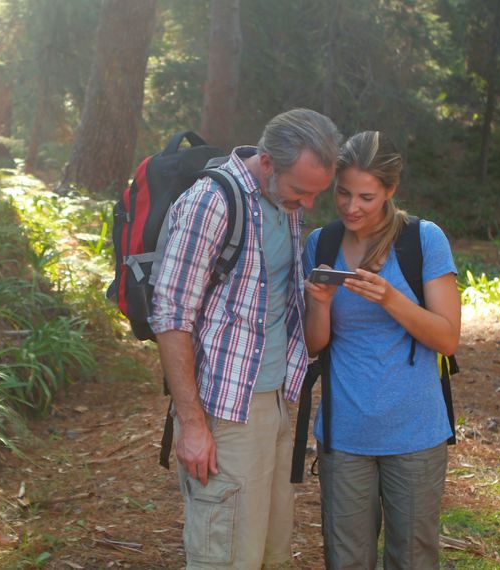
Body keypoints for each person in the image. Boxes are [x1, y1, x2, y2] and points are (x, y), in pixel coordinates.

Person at [149, 108, 343, 569]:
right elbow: (171, 316)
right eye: (302, 191)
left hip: (276, 403)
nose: (308, 204)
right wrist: (193, 425)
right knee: (226, 555)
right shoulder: (212, 202)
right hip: (225, 413)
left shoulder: (282, 205)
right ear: (269, 163)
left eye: (317, 194)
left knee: (269, 554)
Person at [302, 131, 461, 569]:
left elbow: (447, 338)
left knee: (411, 556)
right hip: (344, 432)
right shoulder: (322, 243)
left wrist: (390, 298)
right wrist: (320, 304)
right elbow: (316, 345)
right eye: (344, 192)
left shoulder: (422, 240)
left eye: (367, 196)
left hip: (414, 432)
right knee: (345, 558)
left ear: (391, 191)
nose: (352, 207)